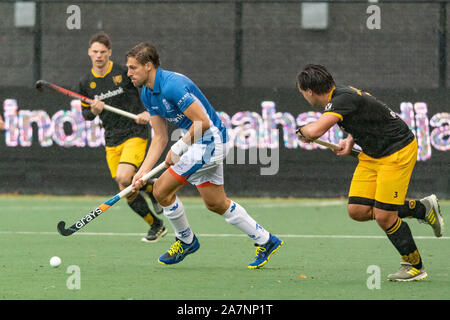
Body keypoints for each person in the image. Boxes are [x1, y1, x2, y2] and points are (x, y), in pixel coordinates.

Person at [126, 42, 283, 268]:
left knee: (161, 190)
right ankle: (266, 240)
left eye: (133, 68)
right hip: (196, 144)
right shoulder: (147, 93)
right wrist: (142, 172)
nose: (129, 73)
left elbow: (203, 122)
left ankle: (186, 240)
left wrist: (178, 148)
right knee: (216, 203)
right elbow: (160, 137)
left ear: (148, 66)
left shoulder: (172, 86)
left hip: (211, 141)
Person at [296, 64, 444, 281]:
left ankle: (414, 266)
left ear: (309, 91)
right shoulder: (340, 99)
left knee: (385, 217)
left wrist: (303, 131)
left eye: (302, 92)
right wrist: (349, 140)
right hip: (372, 155)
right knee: (357, 210)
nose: (303, 96)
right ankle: (422, 209)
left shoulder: (341, 99)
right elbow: (365, 121)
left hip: (396, 152)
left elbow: (316, 130)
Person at [77, 32, 166, 243]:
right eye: (95, 52)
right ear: (89, 53)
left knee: (125, 178)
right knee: (126, 189)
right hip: (112, 138)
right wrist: (95, 111)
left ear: (109, 52)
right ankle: (156, 224)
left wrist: (147, 112)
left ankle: (154, 189)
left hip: (134, 132)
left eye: (102, 52)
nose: (98, 56)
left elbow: (148, 89)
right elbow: (86, 115)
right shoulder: (85, 82)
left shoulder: (124, 73)